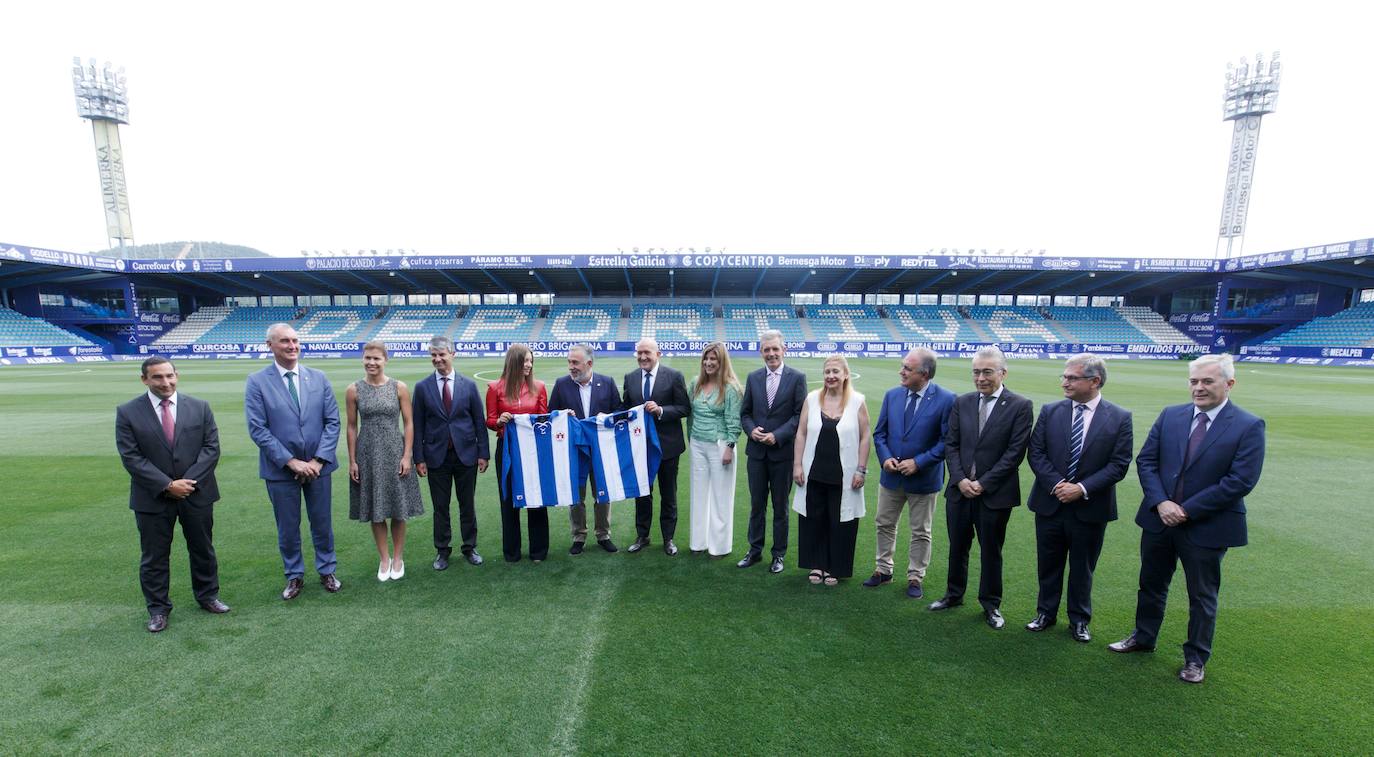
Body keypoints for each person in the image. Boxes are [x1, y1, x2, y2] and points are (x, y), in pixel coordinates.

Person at [1109, 353, 1264, 684]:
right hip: (1158, 519)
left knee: (1201, 595)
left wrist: (1187, 510)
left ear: (1229, 383)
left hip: (1206, 526)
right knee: (1151, 583)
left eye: (1208, 381)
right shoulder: (1171, 416)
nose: (1199, 388)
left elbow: (1240, 481)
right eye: (1194, 381)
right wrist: (1162, 503)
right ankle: (1143, 637)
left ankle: (1195, 658)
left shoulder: (1248, 425)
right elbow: (1146, 461)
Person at [1025, 354, 1133, 642]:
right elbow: (1036, 453)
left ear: (1094, 381)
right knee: (1048, 562)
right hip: (1051, 502)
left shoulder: (1120, 417)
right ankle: (1045, 613)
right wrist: (1058, 483)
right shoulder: (1051, 411)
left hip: (1090, 506)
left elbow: (1119, 464)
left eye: (1071, 378)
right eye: (1064, 377)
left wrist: (1081, 488)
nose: (1064, 382)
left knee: (1083, 567)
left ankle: (1079, 619)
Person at [115, 357, 227, 633]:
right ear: (144, 379)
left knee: (202, 549)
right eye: (157, 378)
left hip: (196, 493)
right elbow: (131, 456)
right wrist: (167, 485)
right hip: (153, 498)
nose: (165, 383)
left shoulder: (199, 407)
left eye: (169, 376)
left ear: (177, 375)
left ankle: (208, 596)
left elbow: (211, 449)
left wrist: (188, 483)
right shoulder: (128, 412)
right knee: (154, 556)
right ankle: (157, 609)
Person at [929, 345, 1033, 629]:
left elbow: (1014, 453)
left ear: (1003, 372)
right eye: (976, 372)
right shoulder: (962, 402)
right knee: (957, 546)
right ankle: (953, 594)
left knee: (991, 550)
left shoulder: (1020, 406)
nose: (981, 378)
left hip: (994, 495)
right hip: (959, 491)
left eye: (987, 371)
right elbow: (951, 444)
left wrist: (983, 483)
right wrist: (961, 479)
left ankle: (990, 604)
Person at [245, 323, 342, 600]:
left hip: (319, 468)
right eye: (285, 341)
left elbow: (332, 422)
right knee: (287, 527)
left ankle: (327, 570)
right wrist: (291, 462)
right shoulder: (257, 381)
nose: (292, 346)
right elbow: (258, 428)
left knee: (322, 523)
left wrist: (318, 460)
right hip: (280, 471)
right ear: (270, 346)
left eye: (295, 340)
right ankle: (294, 576)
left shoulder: (318, 377)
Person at [865, 348, 955, 599]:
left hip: (924, 479)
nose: (901, 371)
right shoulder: (892, 395)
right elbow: (880, 433)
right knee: (884, 524)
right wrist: (885, 459)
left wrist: (919, 462)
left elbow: (947, 441)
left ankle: (915, 576)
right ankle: (883, 570)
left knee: (920, 531)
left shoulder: (947, 399)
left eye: (907, 368)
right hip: (891, 476)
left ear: (924, 374)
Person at [346, 341, 425, 582]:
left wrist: (407, 455)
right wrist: (352, 460)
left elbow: (409, 422)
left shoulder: (399, 387)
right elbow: (351, 426)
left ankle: (398, 557)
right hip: (367, 453)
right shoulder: (354, 390)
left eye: (376, 358)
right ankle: (384, 558)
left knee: (398, 507)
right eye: (367, 358)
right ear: (362, 359)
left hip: (394, 450)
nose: (371, 362)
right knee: (376, 509)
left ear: (385, 360)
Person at [792, 355, 870, 586]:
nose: (831, 376)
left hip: (844, 474)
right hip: (814, 471)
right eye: (827, 372)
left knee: (841, 521)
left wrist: (861, 470)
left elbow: (866, 437)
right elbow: (802, 433)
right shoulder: (812, 399)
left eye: (836, 372)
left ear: (846, 374)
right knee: (813, 518)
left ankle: (836, 566)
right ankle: (816, 564)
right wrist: (797, 464)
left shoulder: (857, 401)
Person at [413, 335, 490, 570]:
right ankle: (443, 550)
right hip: (436, 456)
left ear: (452, 355)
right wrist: (419, 457)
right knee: (440, 507)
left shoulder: (468, 385)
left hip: (466, 454)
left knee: (467, 504)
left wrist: (483, 453)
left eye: (441, 354)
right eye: (433, 355)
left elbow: (479, 420)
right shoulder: (422, 387)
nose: (437, 359)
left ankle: (469, 546)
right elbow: (418, 425)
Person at [738, 329, 807, 573]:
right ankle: (754, 551)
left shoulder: (797, 377)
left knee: (780, 507)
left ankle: (778, 555)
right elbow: (745, 413)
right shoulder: (753, 377)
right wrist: (751, 431)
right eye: (766, 350)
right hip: (756, 455)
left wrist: (776, 436)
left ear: (784, 350)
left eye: (775, 349)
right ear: (761, 352)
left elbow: (800, 415)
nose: (771, 354)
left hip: (782, 455)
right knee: (757, 505)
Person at [549, 343, 624, 554]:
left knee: (602, 494)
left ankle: (603, 534)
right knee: (576, 495)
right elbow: (551, 414)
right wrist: (564, 416)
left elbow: (618, 411)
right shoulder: (562, 384)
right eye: (569, 362)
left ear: (588, 363)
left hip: (601, 450)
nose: (570, 367)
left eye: (575, 362)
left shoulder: (607, 383)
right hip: (574, 451)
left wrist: (606, 419)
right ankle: (579, 535)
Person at [621, 337, 691, 556]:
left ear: (658, 354)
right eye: (639, 353)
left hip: (668, 447)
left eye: (647, 353)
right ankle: (643, 535)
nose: (643, 357)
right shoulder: (630, 378)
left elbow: (684, 408)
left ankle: (668, 538)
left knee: (668, 493)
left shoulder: (674, 376)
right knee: (642, 493)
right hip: (640, 447)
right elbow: (624, 408)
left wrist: (661, 410)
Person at [485, 344, 549, 562]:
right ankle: (512, 552)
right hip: (507, 450)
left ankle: (538, 551)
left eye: (531, 361)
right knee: (509, 500)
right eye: (525, 361)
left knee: (536, 498)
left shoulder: (539, 387)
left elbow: (544, 420)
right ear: (513, 362)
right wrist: (499, 421)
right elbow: (490, 420)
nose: (529, 365)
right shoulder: (495, 388)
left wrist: (561, 417)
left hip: (533, 451)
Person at [685, 341, 744, 557]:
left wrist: (729, 446)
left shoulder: (731, 388)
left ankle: (719, 546)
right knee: (698, 493)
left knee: (721, 496)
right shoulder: (695, 384)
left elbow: (733, 420)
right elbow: (690, 416)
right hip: (698, 443)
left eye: (714, 359)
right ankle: (698, 543)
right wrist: (690, 440)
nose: (709, 363)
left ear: (721, 362)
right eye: (706, 359)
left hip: (720, 445)